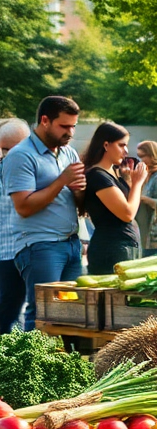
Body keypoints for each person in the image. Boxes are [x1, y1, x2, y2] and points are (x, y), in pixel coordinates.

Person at [4, 97, 86, 330]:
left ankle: (63, 363)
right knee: (42, 312)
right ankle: (32, 365)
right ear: (45, 121)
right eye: (64, 126)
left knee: (69, 313)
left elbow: (77, 200)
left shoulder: (68, 153)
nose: (70, 132)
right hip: (40, 246)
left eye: (73, 126)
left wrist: (80, 190)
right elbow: (24, 207)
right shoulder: (21, 155)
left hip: (71, 244)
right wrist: (62, 181)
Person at [81, 122, 148, 274]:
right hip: (111, 249)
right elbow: (127, 213)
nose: (126, 151)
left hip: (125, 247)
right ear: (106, 145)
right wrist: (138, 182)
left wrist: (129, 180)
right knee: (113, 298)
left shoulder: (112, 174)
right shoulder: (98, 176)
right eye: (121, 145)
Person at [0, 120, 32, 332]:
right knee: (8, 309)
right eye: (3, 149)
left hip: (28, 248)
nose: (6, 155)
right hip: (7, 252)